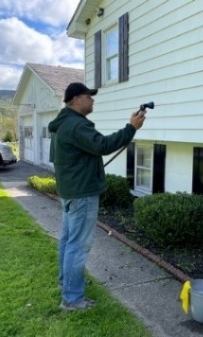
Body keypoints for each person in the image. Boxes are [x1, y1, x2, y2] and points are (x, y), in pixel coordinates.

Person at [48, 82, 146, 311]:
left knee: (68, 241)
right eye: (88, 96)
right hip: (81, 194)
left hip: (70, 192)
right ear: (75, 100)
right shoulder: (75, 125)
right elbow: (103, 145)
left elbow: (61, 157)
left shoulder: (63, 124)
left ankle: (68, 282)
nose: (92, 100)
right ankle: (72, 299)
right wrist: (131, 127)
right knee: (77, 246)